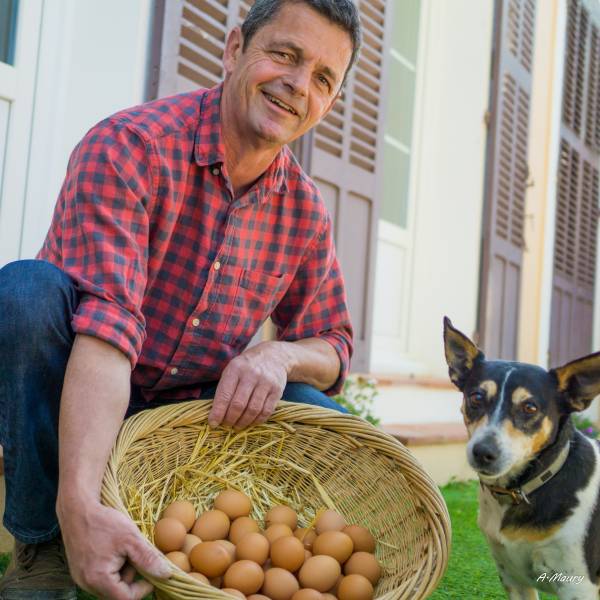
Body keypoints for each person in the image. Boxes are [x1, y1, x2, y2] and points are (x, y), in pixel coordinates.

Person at [0, 0, 360, 598]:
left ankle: (200, 545)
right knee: (25, 294)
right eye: (285, 55)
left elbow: (336, 346)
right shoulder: (129, 146)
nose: (299, 86)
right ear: (233, 49)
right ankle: (47, 545)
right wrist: (78, 505)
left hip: (184, 428)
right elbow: (106, 337)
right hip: (80, 397)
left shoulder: (304, 213)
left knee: (320, 411)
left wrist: (279, 357)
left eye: (323, 78)